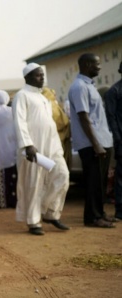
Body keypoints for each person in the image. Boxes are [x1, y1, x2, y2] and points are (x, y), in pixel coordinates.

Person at [13, 63, 70, 236]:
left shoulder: (44, 97)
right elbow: (19, 121)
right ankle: (33, 221)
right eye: (38, 75)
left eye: (42, 75)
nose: (42, 78)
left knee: (63, 175)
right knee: (34, 183)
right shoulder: (21, 96)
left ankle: (50, 212)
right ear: (28, 77)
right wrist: (27, 144)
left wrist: (57, 146)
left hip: (52, 145)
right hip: (33, 146)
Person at [68, 53, 115, 228]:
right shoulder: (79, 87)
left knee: (101, 182)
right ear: (87, 65)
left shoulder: (90, 86)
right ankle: (92, 217)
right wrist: (96, 144)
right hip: (91, 143)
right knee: (93, 181)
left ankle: (100, 213)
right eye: (97, 64)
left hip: (102, 140)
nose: (100, 67)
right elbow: (83, 117)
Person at [104, 61, 122, 220]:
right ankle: (120, 211)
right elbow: (112, 119)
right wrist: (118, 139)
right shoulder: (114, 91)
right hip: (121, 139)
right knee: (121, 176)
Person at [42, 87, 72, 168]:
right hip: (59, 138)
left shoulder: (44, 105)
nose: (55, 95)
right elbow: (62, 122)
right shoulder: (52, 106)